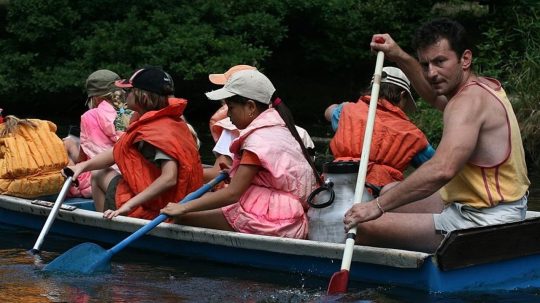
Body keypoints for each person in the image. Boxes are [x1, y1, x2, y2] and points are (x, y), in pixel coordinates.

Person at [343, 18, 530, 253]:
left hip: (485, 221)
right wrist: (399, 55)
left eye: (440, 62)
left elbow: (442, 169)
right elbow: (433, 96)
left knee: (363, 226)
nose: (431, 73)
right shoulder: (482, 86)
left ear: (465, 59)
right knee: (390, 190)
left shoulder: (466, 103)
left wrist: (377, 207)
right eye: (425, 64)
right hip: (492, 204)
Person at [160, 70, 318, 239]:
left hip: (270, 218)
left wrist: (183, 208)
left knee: (181, 218)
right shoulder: (281, 129)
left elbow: (232, 194)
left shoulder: (257, 142)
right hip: (289, 214)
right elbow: (274, 177)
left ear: (250, 107)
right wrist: (235, 173)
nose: (228, 114)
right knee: (200, 202)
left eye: (232, 108)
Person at [68, 67, 204, 220]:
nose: (124, 95)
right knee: (97, 170)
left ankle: (105, 229)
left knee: (98, 175)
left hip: (158, 208)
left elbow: (169, 178)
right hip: (158, 198)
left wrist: (129, 205)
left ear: (142, 96)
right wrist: (81, 166)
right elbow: (117, 151)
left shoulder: (158, 131)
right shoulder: (161, 121)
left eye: (130, 91)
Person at [325, 66, 435, 189]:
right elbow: (436, 167)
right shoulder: (412, 134)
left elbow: (329, 111)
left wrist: (342, 107)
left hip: (337, 185)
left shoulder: (347, 111)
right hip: (381, 193)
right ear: (402, 95)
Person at [204, 65, 315, 182]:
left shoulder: (237, 131)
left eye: (226, 88)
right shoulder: (291, 129)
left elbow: (220, 178)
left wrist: (188, 173)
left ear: (250, 105)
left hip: (247, 196)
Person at [63, 69, 132, 198]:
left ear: (94, 97)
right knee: (71, 145)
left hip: (100, 178)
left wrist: (68, 149)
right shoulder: (129, 112)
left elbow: (92, 156)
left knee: (61, 156)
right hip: (131, 175)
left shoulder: (90, 116)